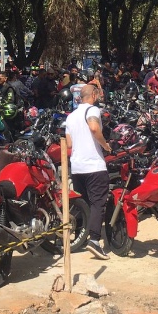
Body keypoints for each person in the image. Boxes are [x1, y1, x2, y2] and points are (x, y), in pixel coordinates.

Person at [65, 84, 111, 261]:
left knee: (84, 203)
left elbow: (69, 144)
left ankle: (81, 237)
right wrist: (105, 145)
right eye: (98, 93)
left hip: (77, 167)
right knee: (98, 203)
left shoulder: (71, 117)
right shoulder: (93, 110)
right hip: (94, 166)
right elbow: (93, 127)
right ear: (93, 95)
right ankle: (94, 240)